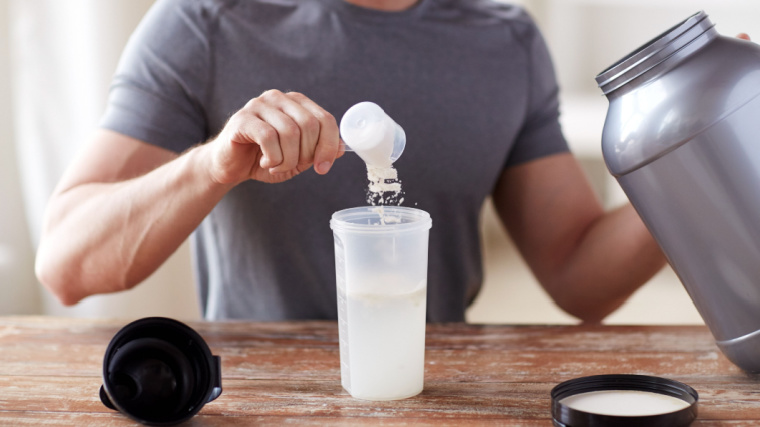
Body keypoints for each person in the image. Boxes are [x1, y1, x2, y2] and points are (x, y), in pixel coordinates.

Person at [35, 0, 667, 323]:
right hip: (259, 400)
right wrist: (210, 168)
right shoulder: (205, 24)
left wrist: (694, 161)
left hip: (436, 394)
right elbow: (66, 263)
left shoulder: (506, 40)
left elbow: (578, 271)